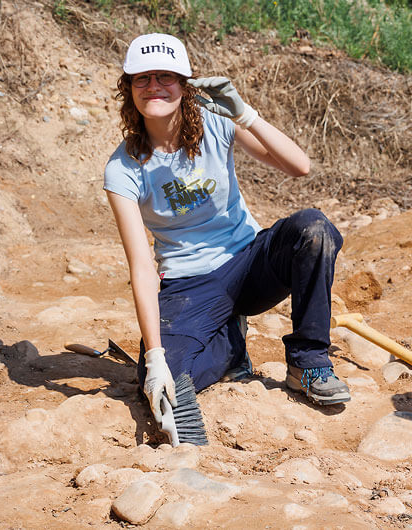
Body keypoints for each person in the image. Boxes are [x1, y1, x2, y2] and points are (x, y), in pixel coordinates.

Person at [104, 33, 351, 434]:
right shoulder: (123, 170)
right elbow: (142, 268)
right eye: (142, 79)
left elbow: (299, 166)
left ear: (185, 85)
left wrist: (244, 113)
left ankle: (309, 364)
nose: (154, 87)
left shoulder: (217, 124)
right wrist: (156, 357)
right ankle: (231, 347)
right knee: (161, 380)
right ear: (128, 88)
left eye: (165, 77)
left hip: (250, 261)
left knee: (314, 229)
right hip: (191, 283)